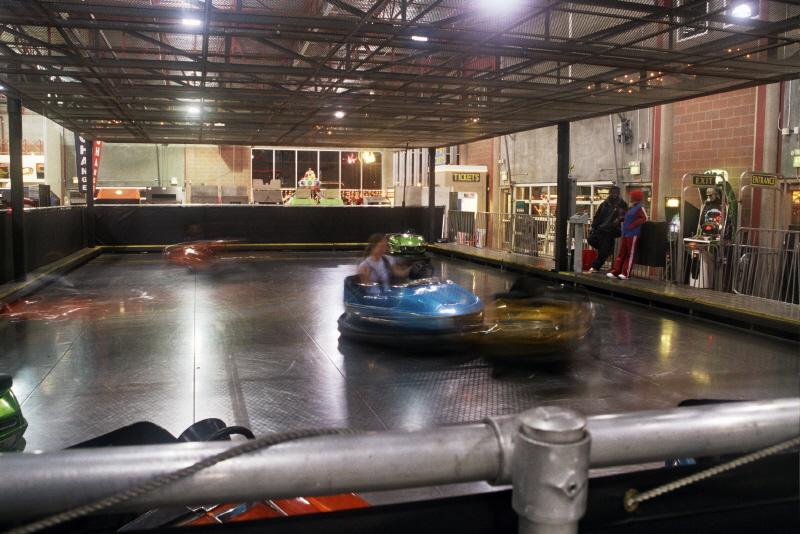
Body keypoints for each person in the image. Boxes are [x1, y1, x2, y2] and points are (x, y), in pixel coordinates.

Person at [608, 189, 647, 280]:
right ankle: (616, 271)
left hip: (633, 233)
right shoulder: (632, 207)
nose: (630, 197)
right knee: (622, 253)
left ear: (635, 197)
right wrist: (621, 218)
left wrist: (632, 225)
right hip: (626, 233)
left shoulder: (639, 207)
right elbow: (629, 217)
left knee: (630, 254)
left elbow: (644, 218)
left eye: (632, 196)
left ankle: (626, 273)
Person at [588, 186, 628, 273]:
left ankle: (595, 266)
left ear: (619, 194)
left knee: (604, 250)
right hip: (600, 228)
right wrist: (593, 226)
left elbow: (626, 215)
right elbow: (597, 216)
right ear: (609, 193)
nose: (615, 195)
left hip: (610, 231)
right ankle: (607, 250)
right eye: (613, 193)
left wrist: (619, 219)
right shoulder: (604, 204)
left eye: (616, 193)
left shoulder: (622, 204)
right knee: (591, 240)